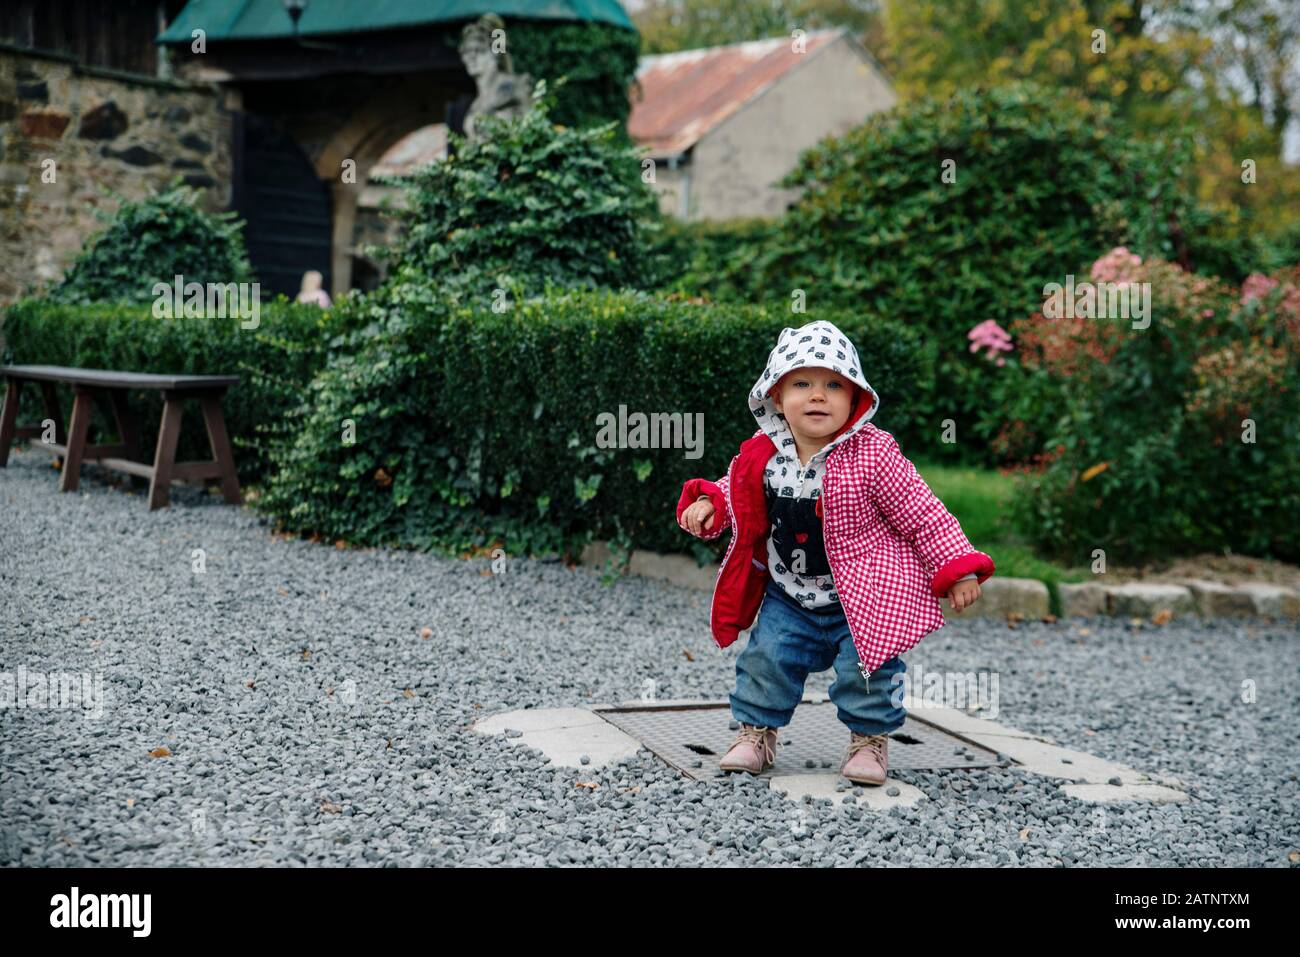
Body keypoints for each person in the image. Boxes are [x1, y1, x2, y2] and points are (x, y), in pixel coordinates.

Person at [676, 319, 994, 785]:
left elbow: (921, 510)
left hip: (862, 598)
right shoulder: (762, 455)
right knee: (768, 659)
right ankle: (755, 733)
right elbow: (737, 492)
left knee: (867, 669)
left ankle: (868, 741)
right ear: (777, 397)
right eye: (801, 383)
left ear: (855, 399)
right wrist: (712, 504)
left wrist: (957, 566)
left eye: (833, 385)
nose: (818, 395)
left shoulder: (874, 454)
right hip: (789, 594)